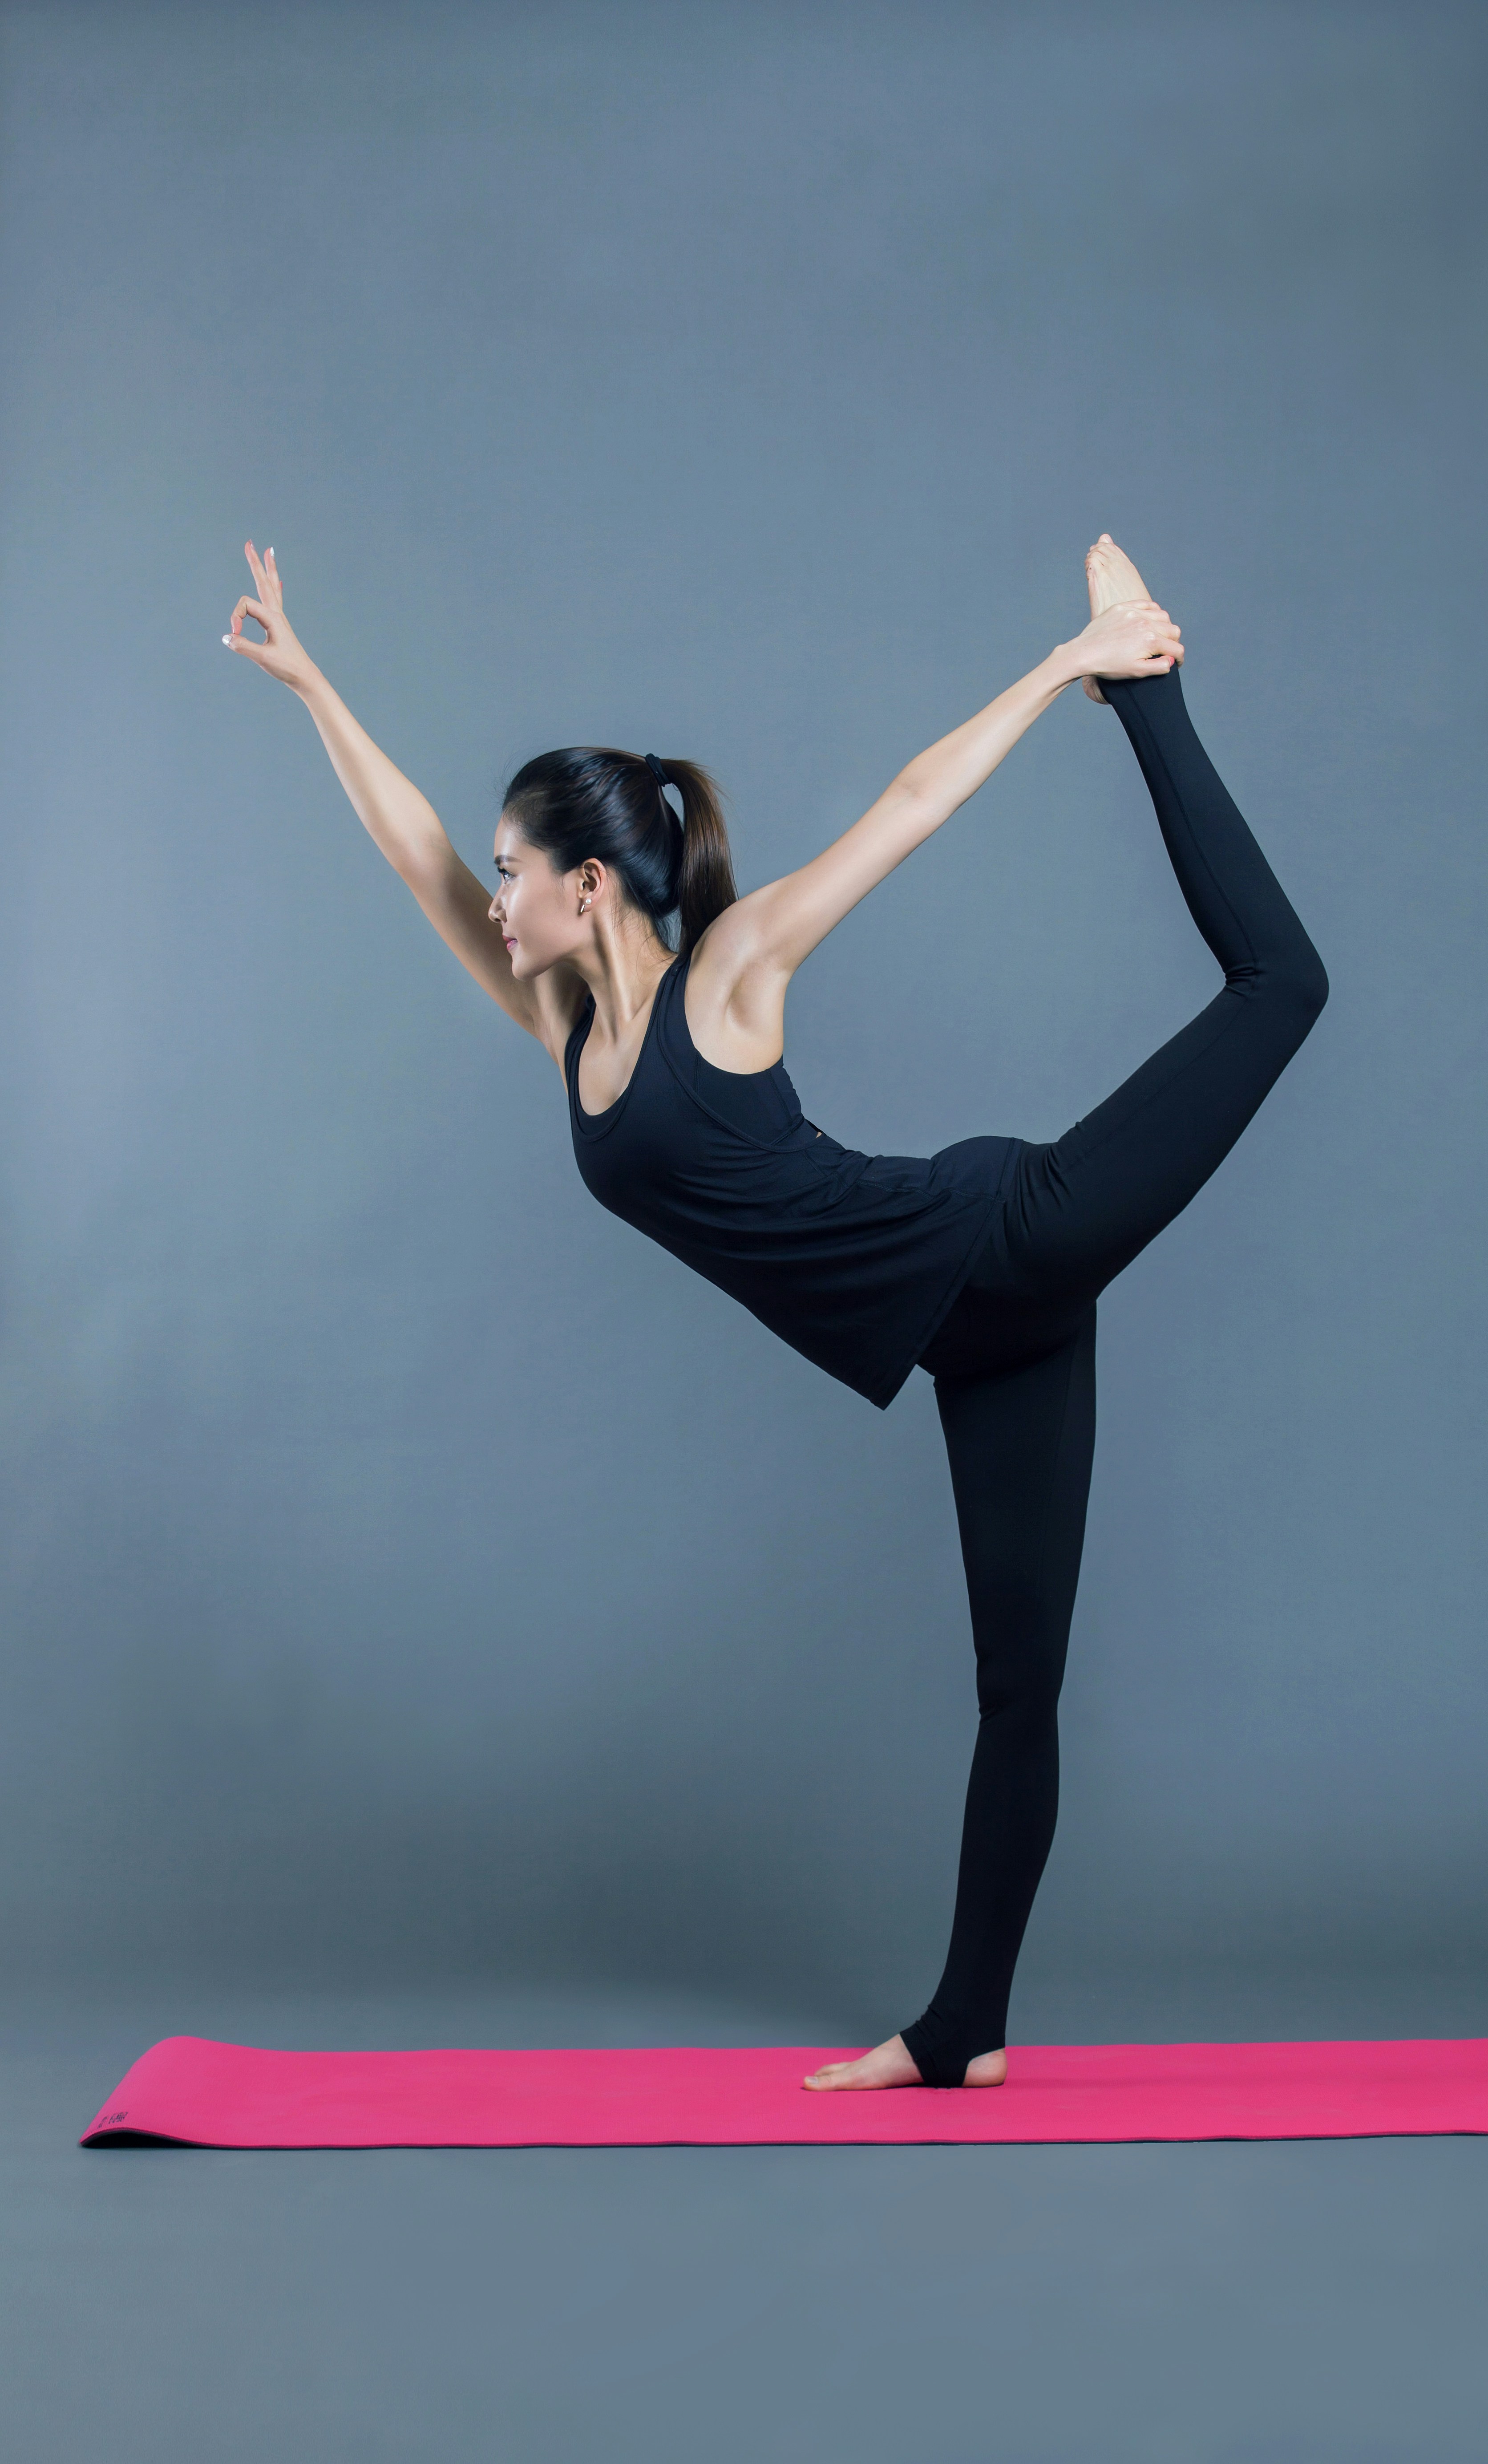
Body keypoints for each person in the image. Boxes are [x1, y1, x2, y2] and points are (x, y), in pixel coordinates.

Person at [222, 533, 1327, 2089]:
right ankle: (963, 2032)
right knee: (1017, 1690)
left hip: (1013, 1231)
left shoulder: (724, 976)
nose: (493, 890)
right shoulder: (565, 1034)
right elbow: (413, 857)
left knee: (1280, 987)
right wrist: (318, 685)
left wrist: (1069, 666)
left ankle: (1146, 683)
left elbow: (909, 806)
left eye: (514, 867)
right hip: (976, 1335)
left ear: (587, 883)